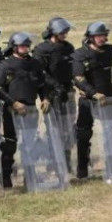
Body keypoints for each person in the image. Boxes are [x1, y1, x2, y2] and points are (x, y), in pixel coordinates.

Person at [0, 32, 52, 188]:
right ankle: (6, 177)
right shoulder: (5, 65)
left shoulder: (35, 64)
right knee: (10, 144)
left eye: (27, 46)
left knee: (29, 144)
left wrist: (45, 98)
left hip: (30, 109)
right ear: (14, 47)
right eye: (22, 46)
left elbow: (42, 85)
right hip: (12, 109)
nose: (25, 49)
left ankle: (30, 176)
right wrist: (13, 103)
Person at [71, 22, 112, 179]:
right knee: (83, 135)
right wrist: (94, 93)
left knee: (111, 133)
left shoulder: (111, 52)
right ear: (90, 37)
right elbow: (78, 79)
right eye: (99, 36)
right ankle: (82, 168)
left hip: (108, 100)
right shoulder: (80, 55)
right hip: (88, 101)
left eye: (104, 35)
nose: (103, 38)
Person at [32, 17, 76, 169]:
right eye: (63, 32)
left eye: (66, 32)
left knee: (69, 126)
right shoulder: (41, 50)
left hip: (68, 92)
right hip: (51, 94)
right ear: (54, 32)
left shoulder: (68, 48)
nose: (65, 34)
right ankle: (53, 161)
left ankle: (66, 160)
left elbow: (73, 69)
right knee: (53, 128)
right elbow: (40, 73)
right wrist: (56, 87)